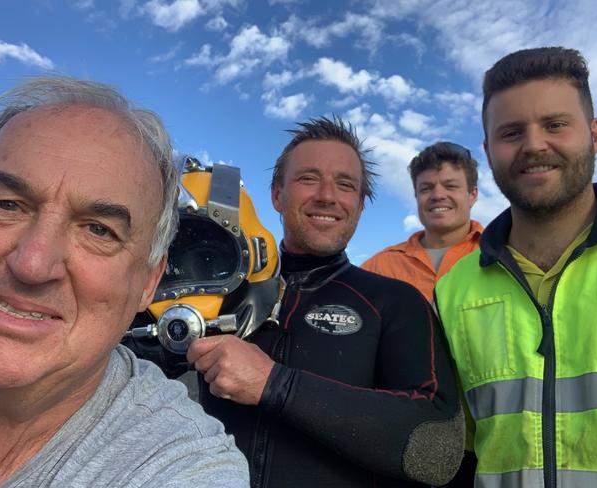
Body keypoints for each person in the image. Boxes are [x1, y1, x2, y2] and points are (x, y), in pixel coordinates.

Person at [0, 76, 248, 487]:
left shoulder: (181, 464)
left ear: (150, 280)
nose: (33, 264)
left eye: (98, 230)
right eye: (7, 205)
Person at [187, 116, 464, 487]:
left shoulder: (395, 302)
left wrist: (275, 385)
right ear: (276, 195)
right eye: (308, 178)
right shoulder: (210, 290)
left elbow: (438, 446)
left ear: (360, 205)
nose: (327, 196)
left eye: (345, 184)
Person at [435, 47, 597, 488]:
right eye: (512, 133)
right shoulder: (453, 290)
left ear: (595, 134)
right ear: (489, 152)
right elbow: (461, 452)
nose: (534, 145)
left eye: (555, 125)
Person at [362, 142, 482, 303]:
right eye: (426, 189)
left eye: (451, 186)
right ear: (416, 196)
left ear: (472, 195)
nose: (438, 195)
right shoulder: (378, 267)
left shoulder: (503, 256)